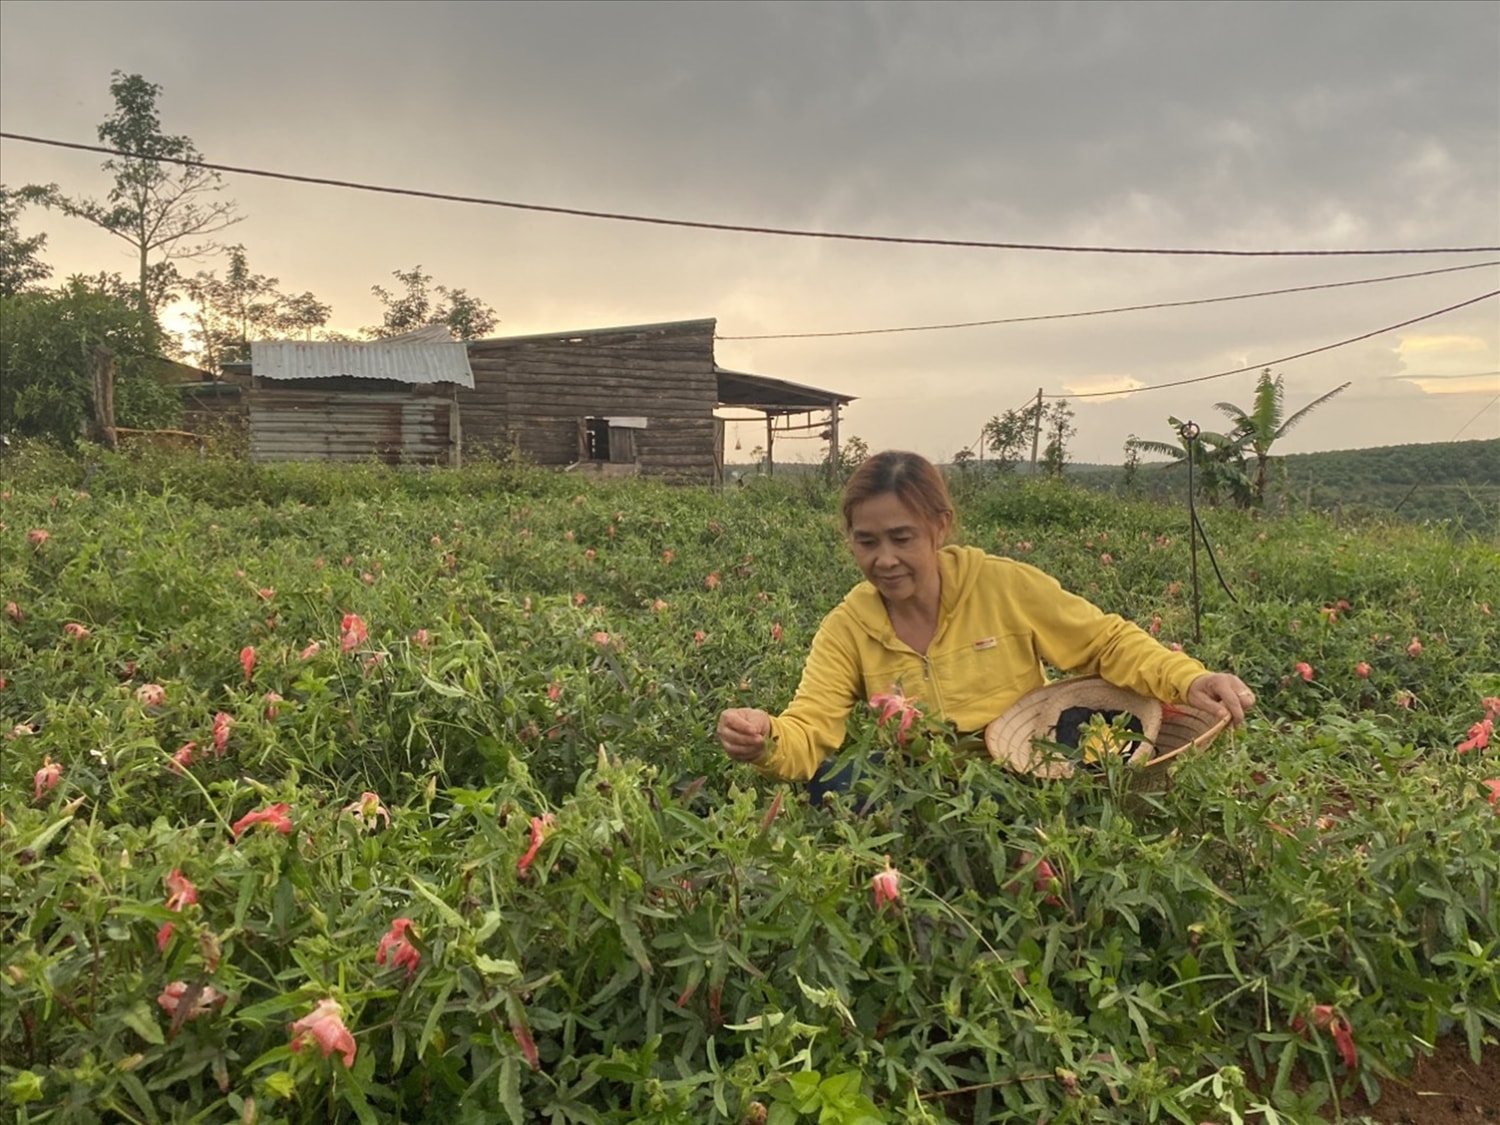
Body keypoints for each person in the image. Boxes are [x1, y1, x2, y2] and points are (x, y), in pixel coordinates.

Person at [717, 450, 1255, 782]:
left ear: (940, 526)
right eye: (866, 541)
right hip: (921, 784)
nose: (884, 559)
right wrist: (767, 738)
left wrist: (1191, 678)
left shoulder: (1003, 585)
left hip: (1029, 769)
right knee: (833, 783)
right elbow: (812, 728)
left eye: (902, 538)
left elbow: (1106, 643)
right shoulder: (848, 627)